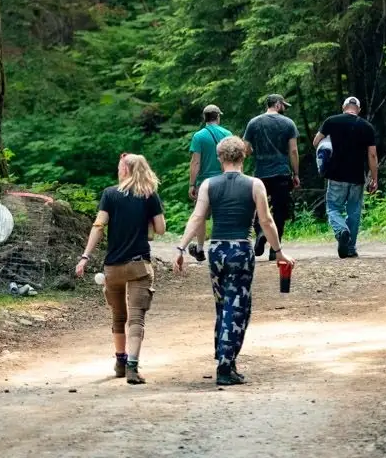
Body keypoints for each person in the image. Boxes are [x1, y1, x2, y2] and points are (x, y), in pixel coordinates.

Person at [174, 135, 294, 386]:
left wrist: (181, 247)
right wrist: (278, 250)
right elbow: (266, 221)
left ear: (220, 158)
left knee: (223, 306)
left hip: (217, 250)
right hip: (240, 249)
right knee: (237, 308)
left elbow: (198, 218)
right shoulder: (255, 185)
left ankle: (225, 358)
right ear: (243, 156)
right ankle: (225, 365)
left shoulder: (208, 184)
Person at [76, 153, 166, 385]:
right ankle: (133, 368)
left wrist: (85, 256)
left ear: (125, 170)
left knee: (118, 316)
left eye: (119, 167)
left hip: (113, 268)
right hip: (138, 266)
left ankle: (120, 362)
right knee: (136, 319)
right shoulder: (149, 195)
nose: (118, 170)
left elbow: (98, 226)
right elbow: (161, 228)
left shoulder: (109, 194)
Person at [313, 96, 378, 259]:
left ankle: (342, 231)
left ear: (343, 107)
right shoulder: (367, 127)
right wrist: (374, 178)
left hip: (335, 175)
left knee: (333, 208)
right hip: (357, 176)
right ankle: (350, 248)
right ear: (359, 110)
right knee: (354, 212)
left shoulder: (331, 121)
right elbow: (372, 155)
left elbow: (316, 142)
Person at [243, 93, 300, 260]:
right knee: (280, 211)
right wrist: (296, 173)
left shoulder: (254, 123)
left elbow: (245, 149)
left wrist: (254, 151)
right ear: (277, 104)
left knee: (259, 207)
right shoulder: (288, 123)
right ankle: (275, 250)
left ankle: (261, 232)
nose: (285, 109)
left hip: (261, 174)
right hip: (282, 173)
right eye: (284, 105)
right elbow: (294, 151)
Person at [187, 104, 232, 262]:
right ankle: (225, 247)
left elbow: (195, 162)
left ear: (204, 118)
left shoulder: (198, 136)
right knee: (223, 215)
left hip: (204, 182)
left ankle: (199, 249)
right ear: (218, 116)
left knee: (200, 216)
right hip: (225, 180)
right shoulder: (227, 134)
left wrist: (192, 184)